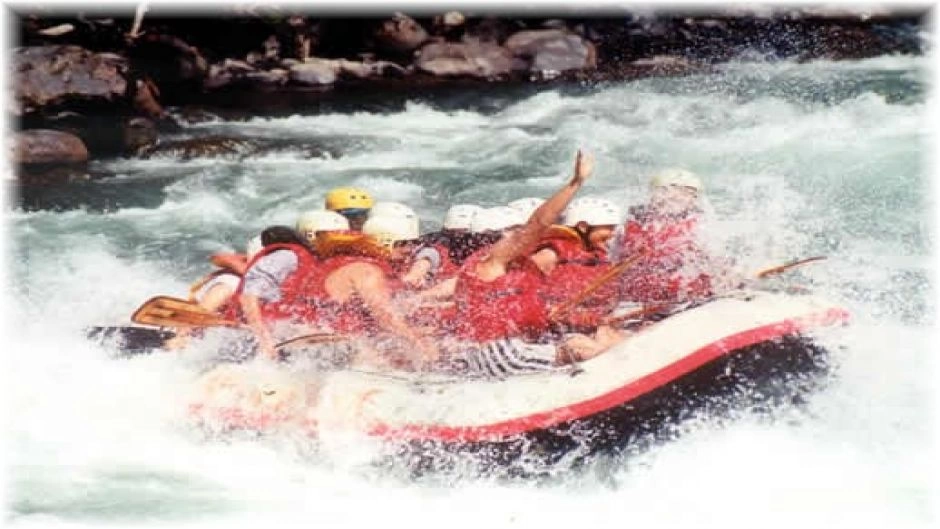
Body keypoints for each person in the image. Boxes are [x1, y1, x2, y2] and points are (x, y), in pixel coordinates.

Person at [445, 150, 611, 379]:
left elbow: (525, 311)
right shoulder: (492, 262)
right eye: (517, 232)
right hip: (496, 354)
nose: (528, 237)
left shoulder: (518, 266)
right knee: (583, 349)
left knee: (603, 335)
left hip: (508, 349)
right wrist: (576, 182)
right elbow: (539, 222)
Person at [299, 213, 438, 370]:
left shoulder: (332, 265)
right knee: (411, 355)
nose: (409, 249)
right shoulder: (366, 271)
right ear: (383, 242)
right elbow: (385, 317)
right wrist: (420, 343)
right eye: (403, 243)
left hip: (311, 343)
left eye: (413, 243)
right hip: (330, 347)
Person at [617, 168, 719, 304]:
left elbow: (710, 260)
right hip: (635, 298)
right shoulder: (630, 223)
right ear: (653, 194)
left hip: (682, 294)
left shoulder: (700, 226)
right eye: (669, 190)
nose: (676, 197)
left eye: (687, 194)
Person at [530, 196, 623, 332]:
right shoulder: (551, 254)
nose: (612, 234)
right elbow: (526, 291)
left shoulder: (598, 255)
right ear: (583, 227)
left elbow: (610, 300)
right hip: (557, 332)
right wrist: (550, 311)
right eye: (609, 228)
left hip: (594, 325)